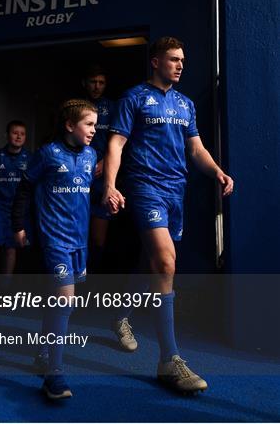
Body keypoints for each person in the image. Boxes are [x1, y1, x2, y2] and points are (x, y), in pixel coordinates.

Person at [102, 36, 234, 394]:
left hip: (177, 192)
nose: (180, 65)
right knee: (165, 261)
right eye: (173, 59)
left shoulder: (185, 104)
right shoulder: (133, 98)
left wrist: (217, 171)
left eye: (183, 60)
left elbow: (196, 148)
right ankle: (169, 360)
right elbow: (116, 144)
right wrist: (111, 185)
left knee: (150, 264)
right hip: (145, 187)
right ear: (156, 61)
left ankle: (120, 317)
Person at [12, 99, 102, 400]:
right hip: (54, 240)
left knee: (61, 302)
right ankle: (54, 374)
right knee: (65, 299)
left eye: (95, 124)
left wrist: (110, 200)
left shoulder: (92, 155)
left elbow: (88, 195)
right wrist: (18, 224)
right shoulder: (47, 154)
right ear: (69, 125)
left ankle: (42, 351)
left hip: (80, 242)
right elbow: (24, 189)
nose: (94, 130)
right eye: (89, 124)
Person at [0, 120, 32, 288]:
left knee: (11, 248)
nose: (18, 136)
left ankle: (5, 290)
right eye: (15, 132)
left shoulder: (29, 158)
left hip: (18, 211)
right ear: (7, 135)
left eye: (22, 134)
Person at [82, 65, 115, 273]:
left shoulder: (112, 107)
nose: (97, 86)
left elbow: (119, 139)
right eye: (93, 81)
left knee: (98, 240)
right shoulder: (78, 107)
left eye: (101, 82)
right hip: (79, 177)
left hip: (102, 178)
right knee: (78, 234)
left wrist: (105, 162)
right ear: (84, 83)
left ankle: (94, 280)